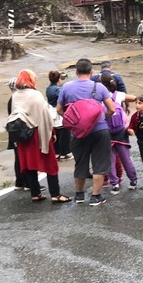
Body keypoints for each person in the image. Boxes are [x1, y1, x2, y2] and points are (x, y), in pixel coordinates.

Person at [57, 58, 116, 206]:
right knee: (100, 163)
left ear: (76, 72)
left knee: (80, 162)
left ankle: (79, 195)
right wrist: (102, 118)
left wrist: (74, 123)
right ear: (91, 72)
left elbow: (59, 109)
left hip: (78, 132)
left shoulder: (66, 87)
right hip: (99, 129)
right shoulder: (100, 87)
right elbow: (112, 109)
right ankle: (96, 197)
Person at [10, 69, 71, 204]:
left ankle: (35, 193)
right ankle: (55, 194)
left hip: (22, 135)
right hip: (38, 134)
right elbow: (45, 116)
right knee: (50, 164)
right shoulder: (35, 95)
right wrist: (53, 133)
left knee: (29, 164)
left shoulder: (15, 96)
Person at [100, 73, 139, 193]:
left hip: (106, 132)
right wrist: (126, 105)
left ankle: (114, 184)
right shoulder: (119, 95)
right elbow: (134, 98)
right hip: (120, 132)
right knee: (126, 158)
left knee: (110, 160)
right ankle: (133, 180)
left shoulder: (99, 97)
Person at [7, 77, 29, 191]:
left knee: (18, 157)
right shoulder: (16, 100)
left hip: (13, 132)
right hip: (20, 132)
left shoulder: (11, 100)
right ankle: (26, 182)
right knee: (23, 157)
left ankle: (19, 181)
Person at [46, 70, 71, 160]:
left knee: (55, 133)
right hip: (58, 112)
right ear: (58, 79)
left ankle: (57, 153)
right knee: (63, 133)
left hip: (51, 111)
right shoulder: (57, 90)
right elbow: (64, 97)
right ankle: (64, 153)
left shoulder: (48, 88)